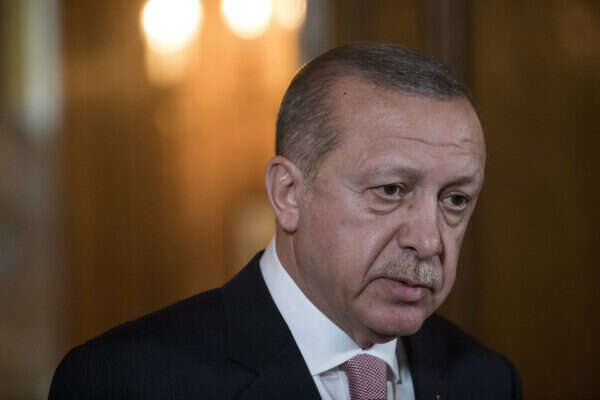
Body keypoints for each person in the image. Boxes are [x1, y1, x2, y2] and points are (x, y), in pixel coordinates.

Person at [49, 42, 521, 399]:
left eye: (455, 199)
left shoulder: (486, 380)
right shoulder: (128, 381)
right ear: (288, 194)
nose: (429, 239)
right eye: (390, 190)